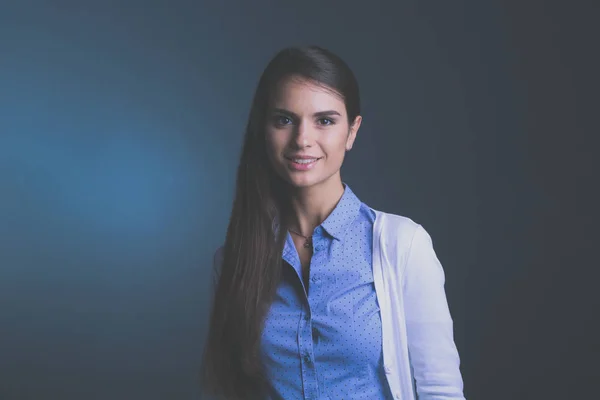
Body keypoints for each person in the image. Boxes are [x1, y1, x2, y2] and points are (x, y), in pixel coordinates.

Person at [201, 45, 465, 400]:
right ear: (263, 129)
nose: (302, 140)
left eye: (324, 120)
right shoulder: (235, 259)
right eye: (284, 119)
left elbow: (440, 390)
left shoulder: (402, 245)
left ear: (352, 131)